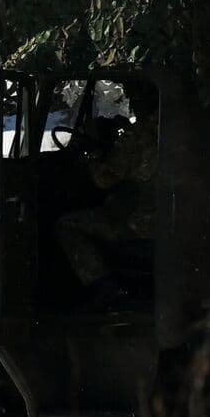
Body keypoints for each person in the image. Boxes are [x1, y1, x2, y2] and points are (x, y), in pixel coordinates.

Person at [56, 83, 159, 299]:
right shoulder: (169, 128)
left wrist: (91, 158)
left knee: (67, 225)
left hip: (139, 222)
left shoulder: (139, 136)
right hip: (161, 217)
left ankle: (104, 288)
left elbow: (104, 179)